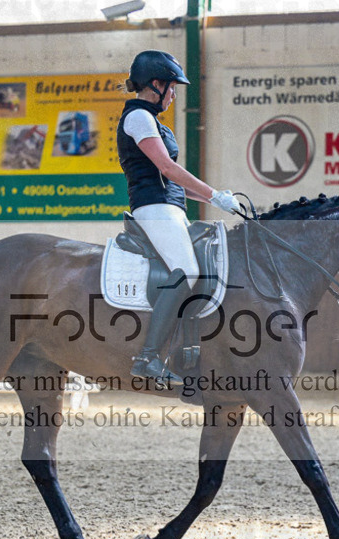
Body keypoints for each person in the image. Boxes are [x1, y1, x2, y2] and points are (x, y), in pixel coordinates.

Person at [117, 50, 241, 384]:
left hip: (168, 206)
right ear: (155, 84)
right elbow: (167, 168)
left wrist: (218, 200)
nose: (173, 95)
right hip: (153, 207)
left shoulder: (152, 121)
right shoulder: (139, 118)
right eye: (172, 88)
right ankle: (148, 358)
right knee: (185, 269)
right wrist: (214, 194)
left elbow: (173, 181)